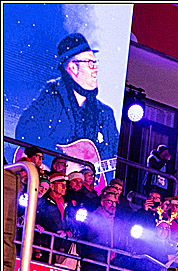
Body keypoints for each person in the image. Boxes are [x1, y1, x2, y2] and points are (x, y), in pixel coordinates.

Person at [15, 33, 119, 186]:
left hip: (83, 191)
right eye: (90, 63)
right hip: (49, 183)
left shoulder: (105, 114)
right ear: (72, 67)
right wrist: (62, 160)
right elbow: (25, 132)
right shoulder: (52, 96)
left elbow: (114, 153)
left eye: (95, 62)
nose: (95, 68)